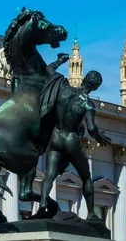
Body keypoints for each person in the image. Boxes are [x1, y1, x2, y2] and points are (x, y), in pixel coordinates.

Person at [37, 54, 111, 220]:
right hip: (71, 140)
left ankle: (42, 203)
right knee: (86, 176)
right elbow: (91, 129)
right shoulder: (88, 104)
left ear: (84, 78)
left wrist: (60, 61)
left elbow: (48, 70)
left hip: (55, 137)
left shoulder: (63, 87)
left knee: (49, 174)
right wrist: (100, 137)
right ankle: (91, 213)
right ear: (96, 87)